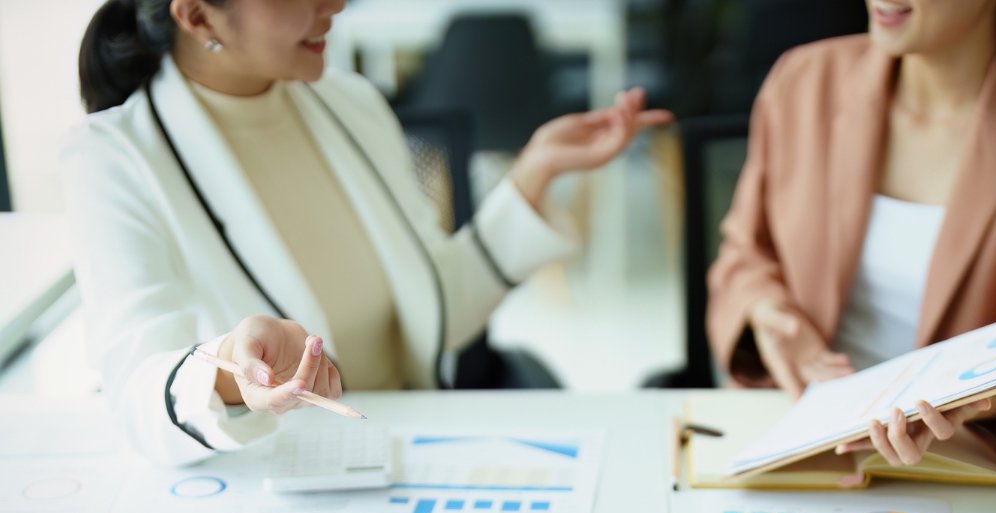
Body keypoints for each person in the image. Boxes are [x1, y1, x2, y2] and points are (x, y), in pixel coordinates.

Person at [66, 0, 672, 465]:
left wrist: (535, 172)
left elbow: (436, 309)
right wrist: (231, 369)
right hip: (273, 487)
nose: (337, 3)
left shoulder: (348, 101)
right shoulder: (115, 159)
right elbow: (136, 398)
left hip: (406, 457)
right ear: (199, 16)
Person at [706, 0, 996, 477]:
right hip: (787, 437)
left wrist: (982, 399)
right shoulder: (803, 80)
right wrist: (770, 317)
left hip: (958, 458)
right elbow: (744, 254)